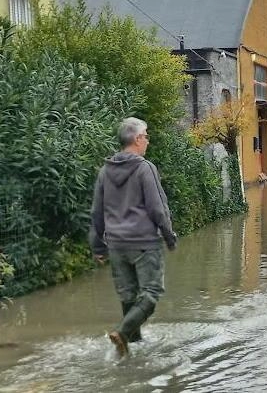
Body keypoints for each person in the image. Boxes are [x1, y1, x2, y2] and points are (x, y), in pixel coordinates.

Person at [90, 117, 177, 358]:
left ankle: (132, 347)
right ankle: (123, 332)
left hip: (116, 245)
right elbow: (158, 207)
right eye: (146, 135)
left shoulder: (105, 171)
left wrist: (98, 246)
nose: (147, 140)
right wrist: (169, 236)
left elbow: (97, 212)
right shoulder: (144, 168)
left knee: (128, 296)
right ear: (137, 139)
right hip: (144, 243)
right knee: (150, 293)